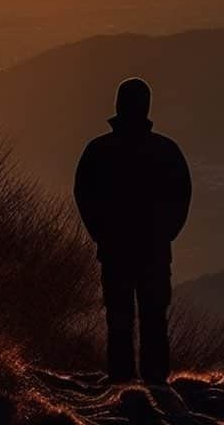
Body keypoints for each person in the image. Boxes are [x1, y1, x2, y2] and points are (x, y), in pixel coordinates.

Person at [74, 77, 191, 386]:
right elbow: (182, 197)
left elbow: (84, 195)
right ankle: (154, 380)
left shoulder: (99, 150)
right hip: (153, 250)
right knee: (153, 317)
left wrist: (101, 234)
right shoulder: (166, 150)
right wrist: (165, 234)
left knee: (119, 317)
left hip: (116, 250)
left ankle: (122, 380)